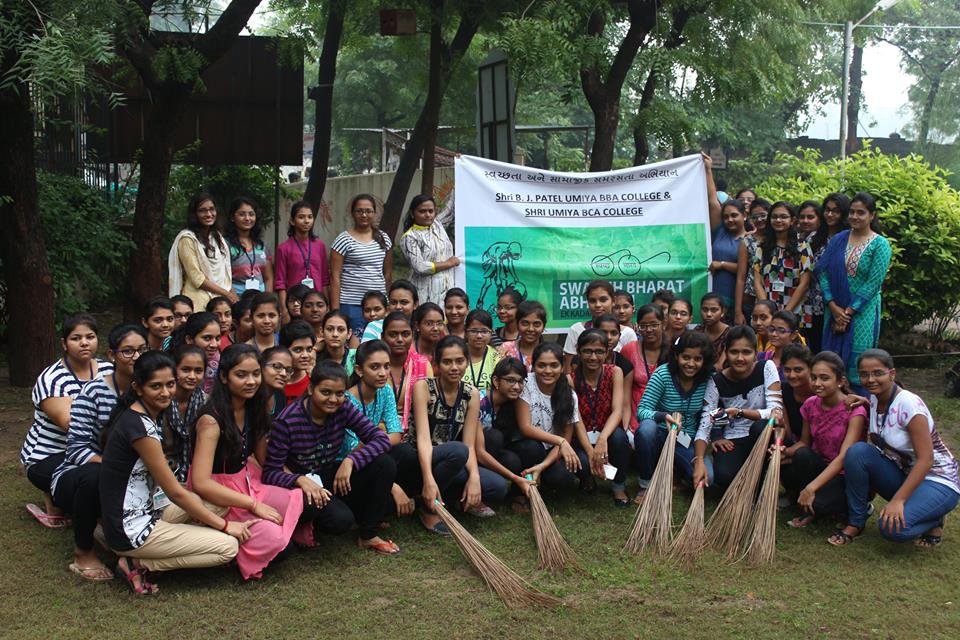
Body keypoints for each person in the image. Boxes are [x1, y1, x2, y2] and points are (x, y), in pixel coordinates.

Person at [99, 352, 253, 595]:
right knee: (228, 547)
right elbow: (175, 493)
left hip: (149, 508)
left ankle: (176, 542)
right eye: (155, 386)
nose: (165, 392)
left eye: (170, 384)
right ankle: (138, 563)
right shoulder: (140, 429)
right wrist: (225, 527)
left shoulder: (142, 415)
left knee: (217, 504)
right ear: (138, 388)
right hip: (131, 528)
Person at [189, 344, 303, 579]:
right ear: (224, 377)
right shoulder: (211, 420)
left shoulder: (254, 406)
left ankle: (264, 533)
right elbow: (200, 483)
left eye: (255, 374)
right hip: (217, 493)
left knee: (297, 497)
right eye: (241, 375)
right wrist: (253, 505)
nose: (251, 381)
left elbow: (264, 458)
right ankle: (231, 544)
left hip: (249, 480)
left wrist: (296, 478)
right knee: (279, 543)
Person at [263, 361, 400, 555]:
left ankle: (368, 535)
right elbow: (270, 472)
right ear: (311, 389)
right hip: (300, 487)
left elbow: (380, 439)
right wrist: (299, 480)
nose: (333, 399)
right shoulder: (287, 421)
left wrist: (351, 460)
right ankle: (302, 525)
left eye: (339, 393)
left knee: (384, 464)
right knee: (340, 521)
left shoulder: (343, 407)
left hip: (328, 475)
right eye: (325, 392)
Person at [49, 323, 148, 580]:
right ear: (112, 355)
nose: (136, 357)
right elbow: (76, 448)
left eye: (142, 350)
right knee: (96, 476)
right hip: (82, 473)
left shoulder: (153, 389)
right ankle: (83, 553)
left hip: (137, 473)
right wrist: (114, 467)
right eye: (128, 351)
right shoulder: (93, 392)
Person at [832, 349, 959, 546]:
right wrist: (865, 403)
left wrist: (898, 501)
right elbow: (886, 422)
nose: (870, 379)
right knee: (858, 452)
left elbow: (926, 460)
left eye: (878, 373)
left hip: (938, 478)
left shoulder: (910, 406)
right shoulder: (875, 398)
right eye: (864, 374)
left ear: (892, 374)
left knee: (891, 528)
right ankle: (856, 521)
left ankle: (935, 519)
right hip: (906, 473)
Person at [21, 314, 114, 528]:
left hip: (94, 448)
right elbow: (71, 425)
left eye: (90, 337)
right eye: (76, 338)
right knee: (95, 477)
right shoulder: (52, 379)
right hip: (50, 454)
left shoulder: (108, 369)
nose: (84, 343)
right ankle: (62, 501)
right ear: (64, 344)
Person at [409, 336, 506, 521]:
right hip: (420, 459)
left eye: (459, 361)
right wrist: (428, 479)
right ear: (437, 364)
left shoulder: (471, 393)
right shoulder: (423, 387)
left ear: (467, 362)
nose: (454, 367)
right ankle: (427, 507)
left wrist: (474, 477)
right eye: (447, 362)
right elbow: (423, 439)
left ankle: (450, 498)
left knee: (498, 486)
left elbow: (469, 445)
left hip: (452, 460)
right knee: (458, 451)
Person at [779, 351, 867, 528]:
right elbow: (804, 443)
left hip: (842, 474)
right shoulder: (810, 404)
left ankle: (850, 506)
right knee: (800, 455)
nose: (817, 383)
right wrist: (782, 452)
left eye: (824, 378)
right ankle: (807, 502)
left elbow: (843, 457)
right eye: (814, 377)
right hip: (819, 466)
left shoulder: (854, 410)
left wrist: (811, 488)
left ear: (841, 381)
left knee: (820, 504)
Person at [817, 192, 893, 393]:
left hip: (862, 312)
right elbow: (822, 270)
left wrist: (848, 312)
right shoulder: (839, 239)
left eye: (861, 213)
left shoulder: (880, 244)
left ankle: (860, 404)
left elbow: (873, 283)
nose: (855, 217)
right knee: (831, 361)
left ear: (872, 215)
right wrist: (832, 305)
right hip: (834, 309)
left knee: (859, 362)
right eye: (852, 212)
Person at [693, 326, 783, 492]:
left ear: (755, 353)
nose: (740, 358)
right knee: (723, 476)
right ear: (726, 353)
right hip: (734, 437)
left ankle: (759, 482)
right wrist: (700, 459)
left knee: (761, 427)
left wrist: (741, 412)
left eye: (746, 352)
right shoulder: (716, 381)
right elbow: (706, 422)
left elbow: (776, 413)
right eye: (734, 352)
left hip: (762, 434)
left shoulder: (766, 367)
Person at [636, 331, 716, 499]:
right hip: (660, 434)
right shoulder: (662, 375)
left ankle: (676, 470)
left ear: (705, 361)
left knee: (708, 478)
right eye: (686, 357)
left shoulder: (708, 380)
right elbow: (642, 410)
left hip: (685, 440)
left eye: (698, 359)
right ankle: (646, 483)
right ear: (676, 356)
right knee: (646, 429)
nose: (691, 364)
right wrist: (662, 416)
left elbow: (709, 415)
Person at [340, 341, 410, 519]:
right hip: (348, 468)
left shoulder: (385, 390)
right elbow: (353, 449)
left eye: (386, 366)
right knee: (384, 462)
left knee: (406, 452)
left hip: (371, 453)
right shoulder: (346, 400)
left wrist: (376, 441)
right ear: (359, 370)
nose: (383, 373)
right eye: (374, 367)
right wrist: (393, 486)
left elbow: (396, 434)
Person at [514, 343, 586, 491]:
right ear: (533, 366)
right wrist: (560, 441)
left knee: (564, 478)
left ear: (562, 367)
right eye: (541, 365)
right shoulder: (526, 383)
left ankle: (540, 475)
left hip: (552, 450)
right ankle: (520, 489)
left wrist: (543, 465)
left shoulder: (569, 395)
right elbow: (525, 427)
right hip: (527, 445)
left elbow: (566, 437)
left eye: (554, 365)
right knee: (532, 448)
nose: (547, 371)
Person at [570, 330, 628, 505]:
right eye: (587, 351)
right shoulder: (570, 380)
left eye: (599, 352)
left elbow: (617, 410)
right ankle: (587, 477)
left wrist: (602, 439)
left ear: (607, 352)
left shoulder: (615, 372)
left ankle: (618, 486)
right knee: (582, 461)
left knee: (619, 437)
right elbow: (576, 419)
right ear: (578, 351)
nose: (593, 357)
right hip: (581, 437)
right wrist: (590, 451)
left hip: (607, 433)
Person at [477, 358, 537, 513]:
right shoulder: (479, 401)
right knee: (494, 437)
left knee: (523, 453)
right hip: (473, 455)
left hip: (495, 451)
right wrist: (513, 476)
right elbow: (478, 451)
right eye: (510, 381)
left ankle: (518, 494)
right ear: (496, 381)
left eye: (520, 382)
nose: (516, 387)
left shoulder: (514, 403)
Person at [331, 194, 393, 332]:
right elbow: (335, 277)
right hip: (352, 304)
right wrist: (335, 312)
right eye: (359, 211)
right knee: (354, 340)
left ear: (375, 213)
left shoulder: (383, 238)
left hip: (378, 305)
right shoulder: (343, 240)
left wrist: (388, 302)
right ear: (352, 213)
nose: (364, 215)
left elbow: (388, 274)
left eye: (368, 211)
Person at [168, 193, 236, 310]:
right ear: (194, 214)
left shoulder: (217, 237)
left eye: (211, 209)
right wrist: (227, 294)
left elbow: (225, 273)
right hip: (198, 300)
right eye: (202, 211)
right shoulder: (187, 239)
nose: (208, 214)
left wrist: (230, 293)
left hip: (220, 300)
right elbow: (196, 278)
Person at [754, 200, 813, 331]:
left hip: (795, 311)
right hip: (767, 314)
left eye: (783, 217)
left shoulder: (802, 246)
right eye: (774, 217)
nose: (778, 220)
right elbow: (757, 281)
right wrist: (767, 310)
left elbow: (804, 283)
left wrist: (785, 314)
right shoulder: (762, 247)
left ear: (792, 220)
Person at [562, 280, 638, 370]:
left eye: (603, 300)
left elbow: (632, 369)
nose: (598, 305)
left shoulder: (628, 333)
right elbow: (568, 370)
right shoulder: (576, 330)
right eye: (592, 301)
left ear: (613, 301)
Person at [399, 195, 459, 306]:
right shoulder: (409, 237)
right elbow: (420, 267)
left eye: (431, 211)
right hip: (425, 295)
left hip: (448, 290)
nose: (427, 215)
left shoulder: (437, 225)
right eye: (422, 211)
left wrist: (456, 189)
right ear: (412, 213)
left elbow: (450, 210)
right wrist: (449, 263)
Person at [275, 200, 330, 322]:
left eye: (310, 217)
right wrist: (284, 310)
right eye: (301, 217)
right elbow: (280, 282)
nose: (306, 221)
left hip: (316, 303)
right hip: (295, 305)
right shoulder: (283, 248)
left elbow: (325, 280)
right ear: (292, 221)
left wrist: (327, 306)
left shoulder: (320, 245)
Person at [620, 304, 668, 433]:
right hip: (635, 413)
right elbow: (623, 390)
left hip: (665, 413)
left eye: (654, 325)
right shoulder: (629, 350)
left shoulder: (672, 350)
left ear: (663, 324)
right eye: (643, 326)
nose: (648, 329)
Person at [381, 311, 432, 431]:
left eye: (405, 334)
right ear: (382, 337)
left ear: (412, 336)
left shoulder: (423, 364)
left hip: (414, 432)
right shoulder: (374, 364)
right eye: (393, 335)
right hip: (378, 432)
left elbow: (430, 407)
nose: (399, 339)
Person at [166, 345, 207, 481]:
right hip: (160, 473)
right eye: (185, 370)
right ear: (174, 370)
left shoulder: (206, 403)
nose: (192, 376)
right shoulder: (161, 401)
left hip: (195, 472)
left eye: (198, 371)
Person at [225, 197, 274, 295]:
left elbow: (268, 278)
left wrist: (267, 298)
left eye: (251, 214)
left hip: (260, 298)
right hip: (236, 298)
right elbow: (223, 277)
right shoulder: (225, 244)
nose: (247, 218)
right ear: (232, 217)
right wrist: (234, 300)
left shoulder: (262, 245)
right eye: (242, 214)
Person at [735, 198, 772, 324]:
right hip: (751, 299)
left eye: (763, 215)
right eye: (755, 217)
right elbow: (741, 277)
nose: (759, 220)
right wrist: (738, 312)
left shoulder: (779, 238)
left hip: (778, 295)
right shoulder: (746, 241)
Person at [710, 199, 749, 313]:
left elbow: (747, 270)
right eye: (725, 217)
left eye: (734, 215)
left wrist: (722, 265)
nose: (730, 220)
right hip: (712, 299)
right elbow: (712, 201)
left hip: (737, 302)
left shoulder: (751, 240)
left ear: (744, 215)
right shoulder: (720, 232)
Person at [798, 200, 827, 352]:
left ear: (819, 219)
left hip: (819, 302)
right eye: (802, 217)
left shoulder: (824, 240)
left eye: (810, 217)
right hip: (803, 302)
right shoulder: (799, 238)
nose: (805, 221)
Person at [169, 311, 222, 395]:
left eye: (217, 338)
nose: (214, 344)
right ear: (189, 339)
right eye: (207, 338)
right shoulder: (171, 364)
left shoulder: (220, 362)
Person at [495, 299, 546, 372]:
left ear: (543, 327)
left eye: (536, 324)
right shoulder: (506, 349)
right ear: (517, 324)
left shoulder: (549, 352)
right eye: (525, 323)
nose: (531, 329)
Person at [780, 344, 814, 442]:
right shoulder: (783, 391)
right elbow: (788, 435)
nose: (792, 375)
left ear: (810, 369)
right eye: (787, 370)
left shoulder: (820, 391)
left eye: (798, 370)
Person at [463, 309, 500, 394]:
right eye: (473, 331)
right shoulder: (457, 354)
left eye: (484, 331)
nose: (479, 336)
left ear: (491, 333)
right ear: (466, 332)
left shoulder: (496, 358)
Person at [279, 320, 316, 404]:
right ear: (284, 350)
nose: (305, 355)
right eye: (298, 350)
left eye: (309, 349)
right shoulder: (273, 382)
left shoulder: (315, 381)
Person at [694, 293, 729, 369]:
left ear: (722, 312)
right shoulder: (698, 331)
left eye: (714, 310)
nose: (709, 314)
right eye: (705, 310)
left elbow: (719, 366)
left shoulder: (730, 334)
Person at [261, 346, 293, 418]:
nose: (284, 374)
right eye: (277, 367)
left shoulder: (280, 395)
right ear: (262, 367)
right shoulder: (250, 398)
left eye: (288, 370)